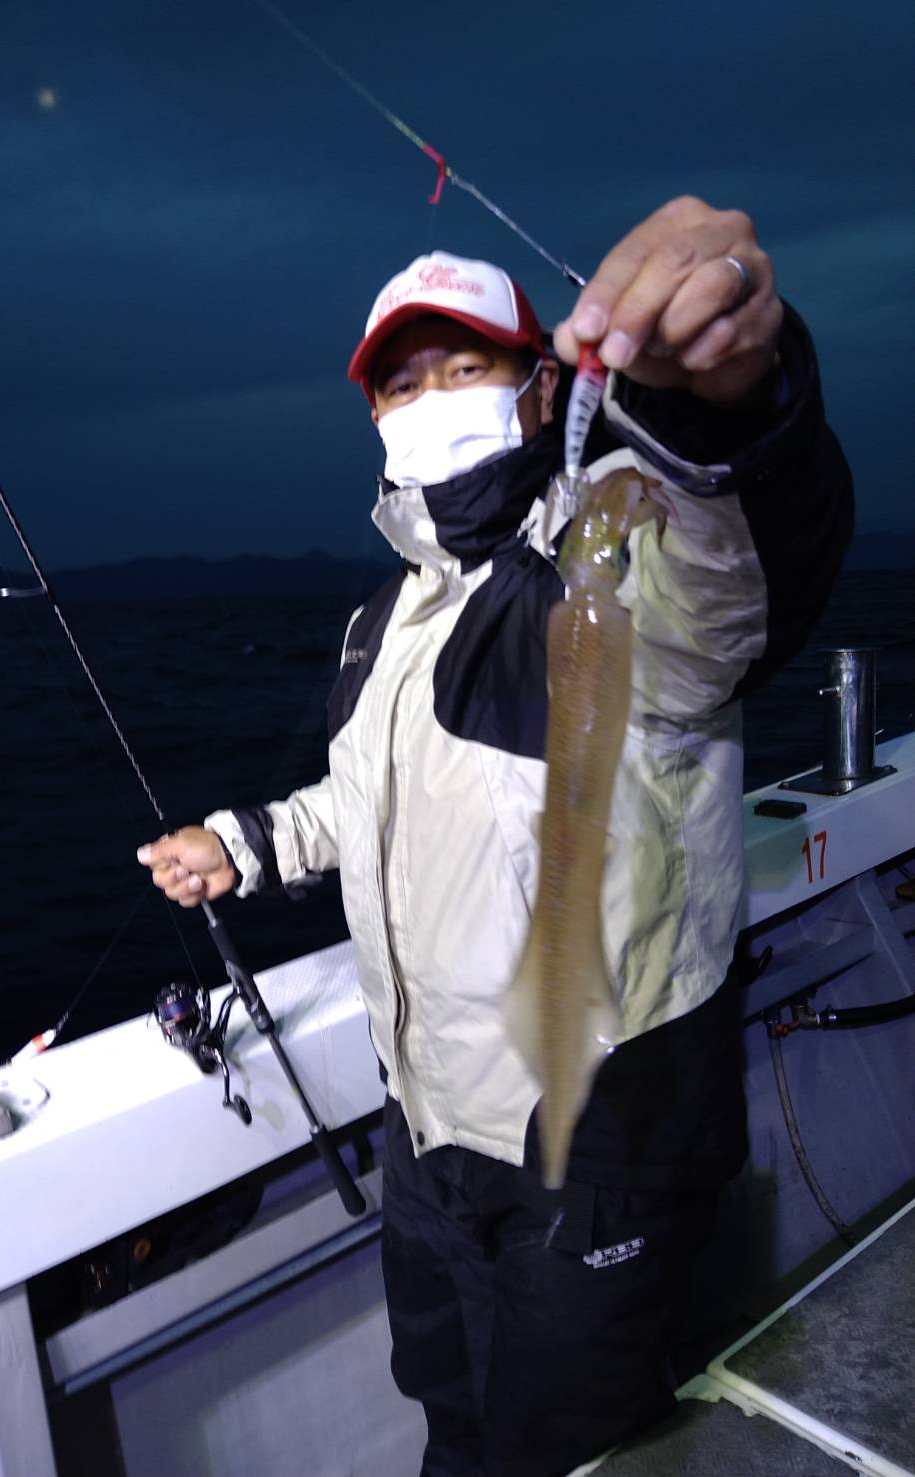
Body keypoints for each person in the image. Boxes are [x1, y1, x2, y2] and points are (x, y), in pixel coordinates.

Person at [138, 197, 853, 1476]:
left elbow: (724, 587)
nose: (430, 401)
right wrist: (243, 845)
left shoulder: (609, 547)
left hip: (594, 1137)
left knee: (578, 1446)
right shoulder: (387, 617)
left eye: (464, 367)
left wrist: (726, 406)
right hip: (427, 1129)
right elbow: (360, 800)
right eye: (400, 382)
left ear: (541, 389)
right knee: (454, 1418)